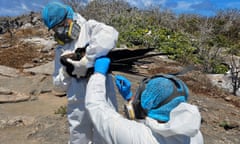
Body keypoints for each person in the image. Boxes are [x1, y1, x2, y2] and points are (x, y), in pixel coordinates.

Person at [41, 2, 119, 144]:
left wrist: (86, 60)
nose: (60, 31)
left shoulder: (89, 28)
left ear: (70, 16)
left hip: (102, 94)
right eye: (55, 29)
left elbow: (110, 35)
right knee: (78, 137)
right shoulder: (60, 49)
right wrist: (65, 72)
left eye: (61, 25)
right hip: (77, 102)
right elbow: (58, 86)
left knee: (104, 135)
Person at [86, 57, 204, 144]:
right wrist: (129, 98)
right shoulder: (193, 135)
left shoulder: (134, 136)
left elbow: (97, 108)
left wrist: (98, 74)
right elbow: (151, 124)